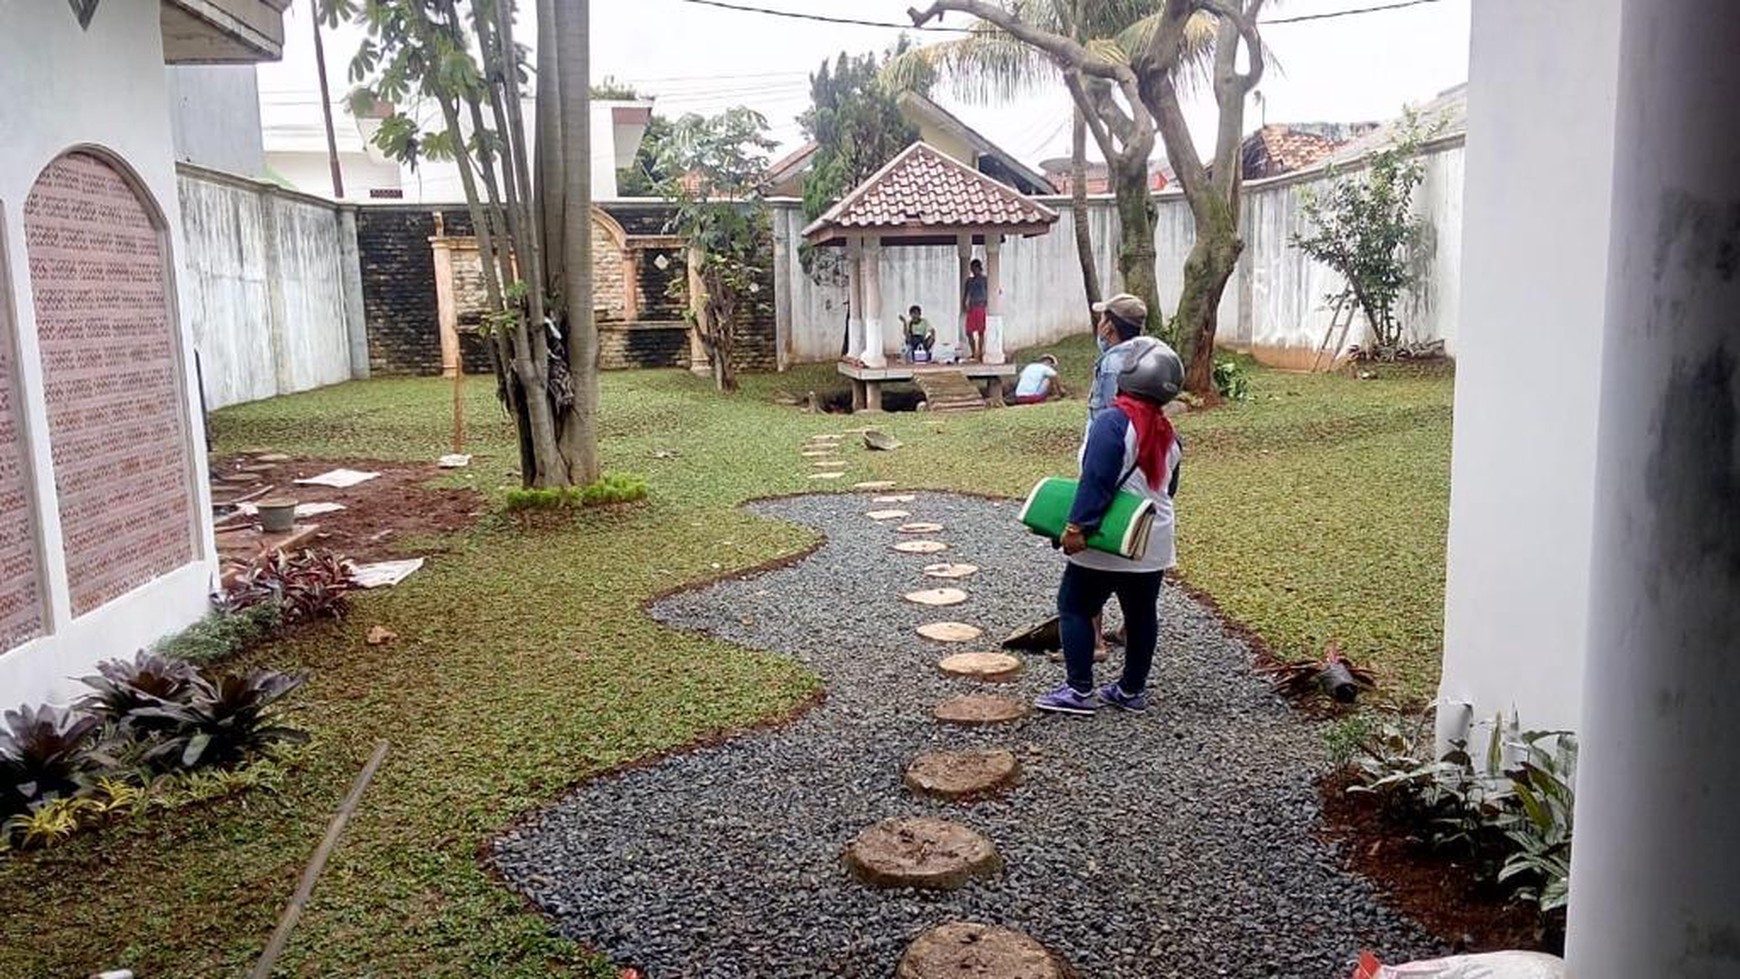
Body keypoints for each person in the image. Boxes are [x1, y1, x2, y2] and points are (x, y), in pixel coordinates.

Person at [1034, 333, 1185, 716]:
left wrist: (1076, 528)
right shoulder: (1168, 432)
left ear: (1128, 377)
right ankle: (1131, 691)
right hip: (1153, 537)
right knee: (1141, 612)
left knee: (1074, 605)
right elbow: (1169, 487)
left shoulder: (1113, 422)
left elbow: (1096, 479)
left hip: (1109, 537)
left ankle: (1079, 690)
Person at [1086, 293, 1148, 652]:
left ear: (1109, 325)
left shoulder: (1112, 365)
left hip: (1110, 464)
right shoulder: (1147, 356)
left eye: (1102, 318)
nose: (1099, 324)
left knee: (1091, 549)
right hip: (1141, 465)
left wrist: (1095, 475)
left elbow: (1110, 422)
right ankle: (1129, 629)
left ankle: (1092, 640)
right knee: (1135, 545)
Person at [962, 258, 989, 362]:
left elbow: (993, 291)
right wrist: (964, 304)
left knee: (981, 331)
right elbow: (965, 294)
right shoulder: (969, 281)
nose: (973, 271)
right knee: (969, 331)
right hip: (972, 307)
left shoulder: (985, 280)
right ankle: (974, 352)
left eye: (974, 268)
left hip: (981, 307)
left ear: (979, 268)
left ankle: (980, 352)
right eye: (972, 269)